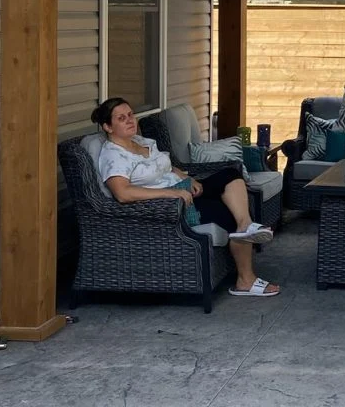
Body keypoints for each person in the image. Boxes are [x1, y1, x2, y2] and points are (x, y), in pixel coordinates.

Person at [92, 97, 280, 298]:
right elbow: (123, 193)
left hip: (181, 189)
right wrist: (172, 193)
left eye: (130, 115)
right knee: (226, 211)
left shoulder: (140, 141)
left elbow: (165, 166)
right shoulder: (114, 156)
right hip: (169, 205)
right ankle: (245, 279)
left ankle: (246, 226)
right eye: (121, 118)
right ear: (108, 127)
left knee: (231, 176)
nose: (130, 120)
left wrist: (187, 178)